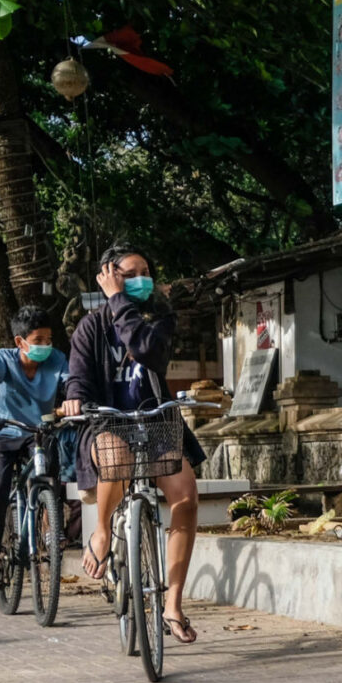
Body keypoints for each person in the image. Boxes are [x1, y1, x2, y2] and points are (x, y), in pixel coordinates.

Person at [62, 242, 204, 644]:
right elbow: (78, 375)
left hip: (156, 423)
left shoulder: (161, 317)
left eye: (145, 271)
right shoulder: (91, 325)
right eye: (129, 273)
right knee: (117, 455)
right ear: (108, 275)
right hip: (107, 424)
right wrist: (75, 396)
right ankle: (103, 532)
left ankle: (173, 603)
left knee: (186, 495)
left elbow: (146, 350)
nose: (140, 279)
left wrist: (120, 301)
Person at [0, 306, 68, 588]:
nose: (45, 346)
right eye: (38, 340)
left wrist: (73, 400)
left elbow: (72, 384)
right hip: (2, 434)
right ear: (20, 342)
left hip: (38, 432)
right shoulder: (3, 358)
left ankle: (51, 530)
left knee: (49, 474)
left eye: (48, 339)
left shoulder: (58, 359)